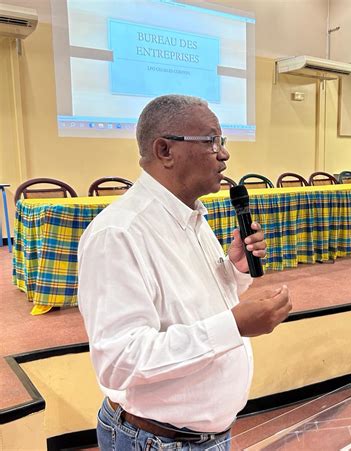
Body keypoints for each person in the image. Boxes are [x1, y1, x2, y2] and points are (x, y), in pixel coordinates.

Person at [78, 94, 292, 450]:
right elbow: (119, 361)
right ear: (165, 151)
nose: (224, 154)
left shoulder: (191, 216)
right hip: (156, 440)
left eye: (222, 141)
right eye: (211, 141)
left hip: (203, 436)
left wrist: (234, 271)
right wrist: (235, 326)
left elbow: (191, 308)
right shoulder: (118, 233)